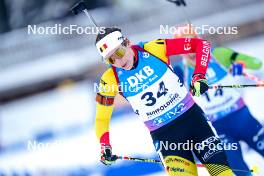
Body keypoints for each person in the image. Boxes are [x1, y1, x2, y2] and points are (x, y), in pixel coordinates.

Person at [94, 27, 234, 176]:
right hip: (166, 139)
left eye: (119, 53)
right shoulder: (109, 79)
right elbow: (101, 118)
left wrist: (199, 75)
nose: (118, 61)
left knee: (222, 174)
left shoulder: (153, 49)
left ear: (127, 42)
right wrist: (104, 146)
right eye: (110, 59)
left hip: (194, 122)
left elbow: (201, 45)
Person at [172, 25, 263, 176]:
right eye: (183, 47)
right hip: (218, 129)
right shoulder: (181, 71)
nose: (189, 50)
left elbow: (256, 63)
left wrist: (240, 64)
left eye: (192, 43)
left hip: (243, 119)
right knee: (239, 171)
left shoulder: (218, 55)